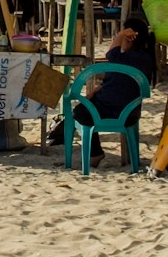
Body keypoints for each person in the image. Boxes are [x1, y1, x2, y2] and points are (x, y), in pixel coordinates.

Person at [49, 16, 157, 163]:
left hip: (113, 112)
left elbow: (111, 54)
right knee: (86, 105)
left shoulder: (125, 58)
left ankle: (95, 153)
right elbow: (119, 83)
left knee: (80, 112)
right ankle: (68, 137)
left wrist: (120, 36)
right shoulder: (144, 58)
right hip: (131, 113)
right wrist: (97, 90)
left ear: (130, 37)